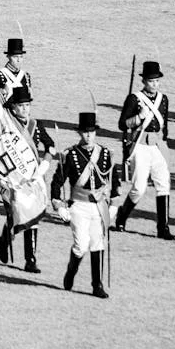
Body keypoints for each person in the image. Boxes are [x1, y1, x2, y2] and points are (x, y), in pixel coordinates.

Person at [51, 112, 119, 298]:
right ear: (80, 133)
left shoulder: (106, 153)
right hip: (79, 205)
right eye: (85, 132)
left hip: (99, 205)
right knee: (81, 245)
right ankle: (71, 272)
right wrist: (58, 205)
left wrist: (114, 204)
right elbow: (57, 182)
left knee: (98, 243)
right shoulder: (70, 155)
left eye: (92, 132)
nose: (89, 135)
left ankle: (97, 285)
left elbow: (114, 180)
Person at [0, 87, 55, 273]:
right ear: (13, 108)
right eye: (21, 106)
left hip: (33, 179)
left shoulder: (36, 125)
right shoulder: (7, 126)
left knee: (33, 216)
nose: (25, 109)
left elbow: (50, 146)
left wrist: (44, 166)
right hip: (13, 179)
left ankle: (30, 259)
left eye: (27, 105)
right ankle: (4, 240)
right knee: (15, 214)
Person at [115, 61, 175, 240]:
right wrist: (138, 118)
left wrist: (163, 143)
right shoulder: (134, 99)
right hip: (140, 145)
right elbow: (122, 124)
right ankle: (122, 216)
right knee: (139, 188)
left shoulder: (163, 99)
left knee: (163, 184)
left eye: (157, 81)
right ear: (144, 81)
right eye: (151, 81)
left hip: (158, 146)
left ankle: (163, 228)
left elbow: (164, 124)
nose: (154, 84)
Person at [0, 38, 32, 191]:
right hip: (2, 118)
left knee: (17, 153)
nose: (19, 60)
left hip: (18, 119)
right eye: (15, 57)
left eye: (21, 56)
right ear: (9, 57)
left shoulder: (26, 76)